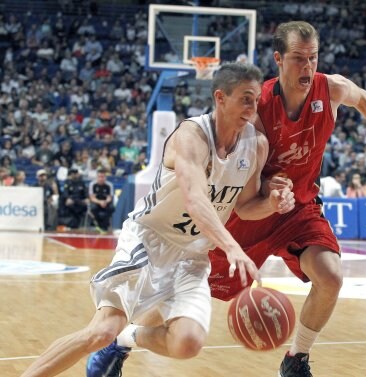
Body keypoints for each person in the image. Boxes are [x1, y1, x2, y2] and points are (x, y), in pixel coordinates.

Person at [88, 21, 366, 377]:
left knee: (331, 277)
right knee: (177, 287)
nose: (308, 67)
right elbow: (244, 172)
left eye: (313, 58)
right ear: (279, 59)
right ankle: (124, 341)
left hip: (299, 208)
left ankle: (296, 359)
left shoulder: (330, 89)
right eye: (299, 58)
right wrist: (271, 185)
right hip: (250, 209)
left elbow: (362, 98)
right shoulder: (256, 108)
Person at [21, 62, 295, 377]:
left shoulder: (256, 145)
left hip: (193, 255)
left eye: (256, 98)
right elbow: (195, 200)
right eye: (245, 98)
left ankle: (129, 336)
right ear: (220, 98)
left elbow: (245, 206)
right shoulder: (190, 135)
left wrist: (272, 203)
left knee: (188, 343)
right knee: (101, 332)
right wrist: (231, 246)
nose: (253, 106)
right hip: (149, 241)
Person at [88, 168, 115, 232]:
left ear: (105, 177)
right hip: (96, 202)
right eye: (99, 177)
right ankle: (98, 225)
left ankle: (105, 226)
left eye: (103, 177)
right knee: (93, 208)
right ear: (97, 177)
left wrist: (105, 202)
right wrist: (100, 202)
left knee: (111, 208)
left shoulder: (109, 185)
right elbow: (92, 198)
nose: (101, 178)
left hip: (106, 202)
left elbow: (110, 197)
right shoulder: (92, 184)